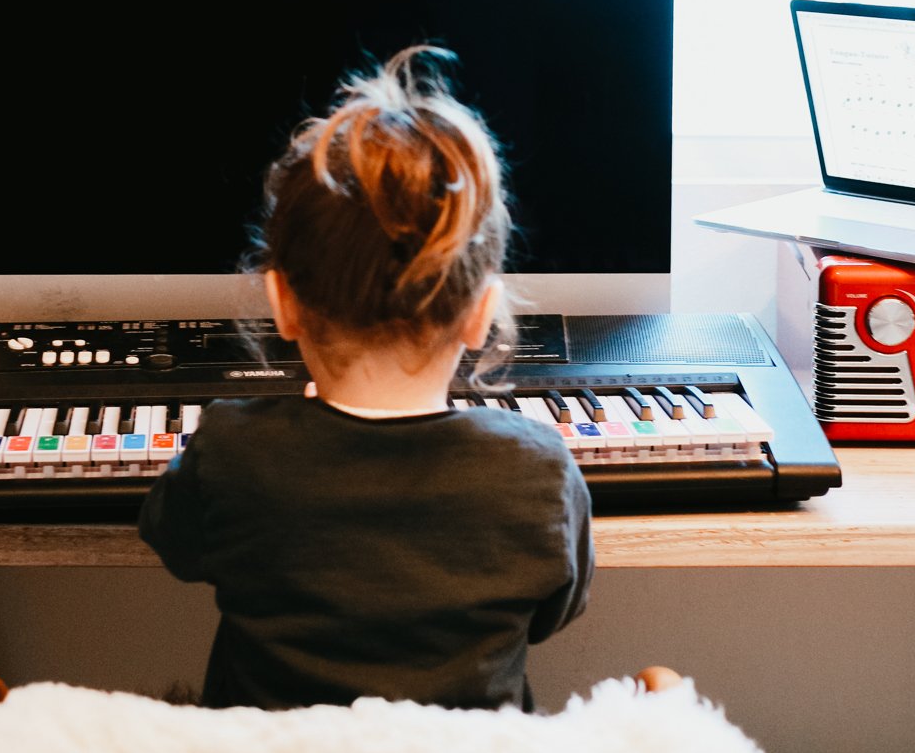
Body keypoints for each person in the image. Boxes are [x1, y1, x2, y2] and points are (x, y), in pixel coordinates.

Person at [139, 48, 593, 711]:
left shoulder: (234, 450)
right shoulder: (539, 471)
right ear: (479, 316)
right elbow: (552, 611)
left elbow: (176, 545)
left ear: (283, 304)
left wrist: (287, 432)